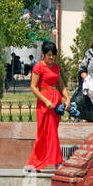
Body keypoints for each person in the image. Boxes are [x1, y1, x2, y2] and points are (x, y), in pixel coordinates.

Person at [25, 40, 67, 172]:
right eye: (48, 54)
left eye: (53, 55)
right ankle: (56, 162)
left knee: (51, 131)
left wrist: (68, 98)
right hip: (45, 104)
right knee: (45, 133)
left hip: (56, 103)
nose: (51, 57)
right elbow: (33, 87)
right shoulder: (38, 67)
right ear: (43, 54)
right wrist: (45, 101)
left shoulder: (55, 67)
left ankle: (38, 162)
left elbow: (61, 84)